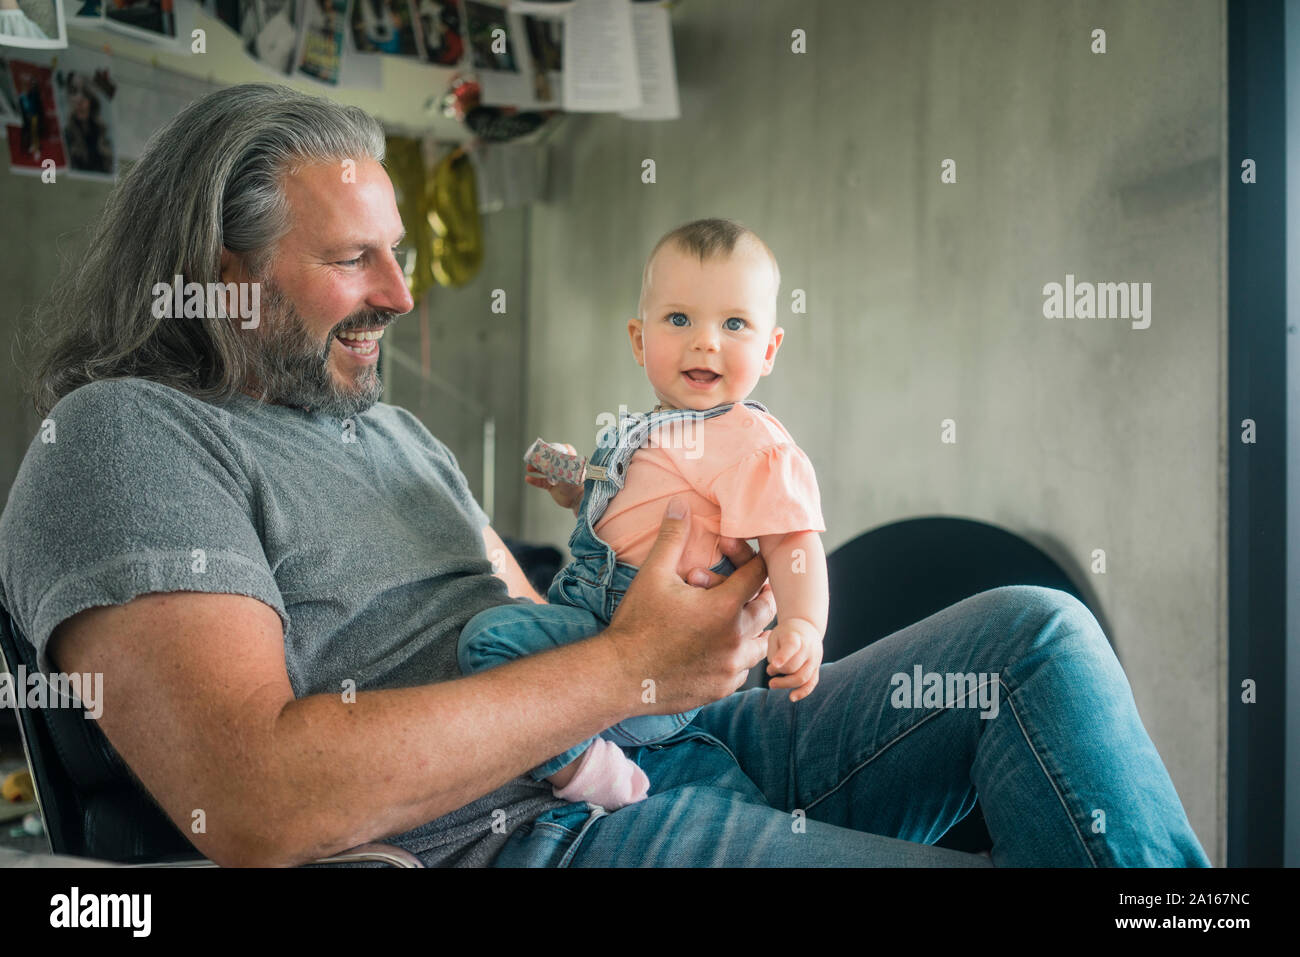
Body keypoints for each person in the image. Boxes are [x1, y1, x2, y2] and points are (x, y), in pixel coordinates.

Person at [0, 83, 1210, 868]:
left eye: (401, 255)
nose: (402, 295)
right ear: (223, 266)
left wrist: (669, 618)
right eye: (355, 260)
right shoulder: (125, 438)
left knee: (1034, 640)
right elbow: (254, 797)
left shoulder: (397, 437)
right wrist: (632, 662)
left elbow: (536, 632)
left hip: (642, 736)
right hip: (525, 830)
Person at [458, 219, 828, 811]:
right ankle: (697, 780)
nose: (705, 341)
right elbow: (631, 513)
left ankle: (586, 772)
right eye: (679, 319)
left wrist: (804, 627)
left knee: (488, 642)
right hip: (597, 621)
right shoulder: (646, 427)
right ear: (638, 340)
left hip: (653, 651)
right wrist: (577, 489)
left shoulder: (752, 442)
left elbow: (793, 542)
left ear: (769, 348)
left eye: (734, 323)